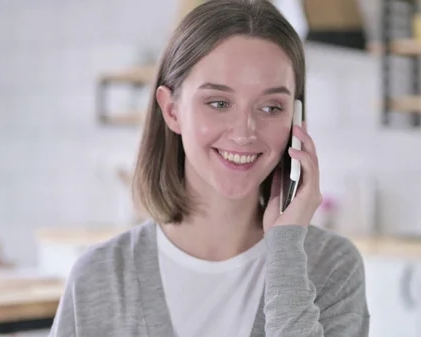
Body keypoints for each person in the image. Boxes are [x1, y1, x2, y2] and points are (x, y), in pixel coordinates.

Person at [48, 0, 370, 336]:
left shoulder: (331, 267)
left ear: (296, 118)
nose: (245, 132)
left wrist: (286, 250)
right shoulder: (101, 277)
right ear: (171, 110)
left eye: (272, 107)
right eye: (218, 103)